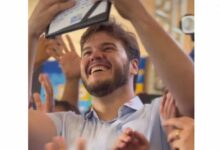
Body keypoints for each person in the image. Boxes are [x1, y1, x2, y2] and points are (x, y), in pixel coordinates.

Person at [28, 0, 194, 150]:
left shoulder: (161, 114)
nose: (94, 56)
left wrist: (136, 14)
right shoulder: (63, 125)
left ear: (134, 66)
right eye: (87, 52)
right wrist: (31, 32)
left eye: (107, 48)